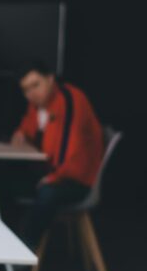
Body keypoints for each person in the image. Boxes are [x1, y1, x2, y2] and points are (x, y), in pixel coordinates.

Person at [11, 60, 104, 248]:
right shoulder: (37, 104)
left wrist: (54, 177)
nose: (31, 94)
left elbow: (71, 153)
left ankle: (24, 251)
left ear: (50, 79)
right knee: (1, 183)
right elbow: (28, 126)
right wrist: (21, 133)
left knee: (47, 193)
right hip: (52, 172)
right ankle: (1, 246)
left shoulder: (70, 100)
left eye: (36, 85)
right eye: (26, 90)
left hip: (76, 179)